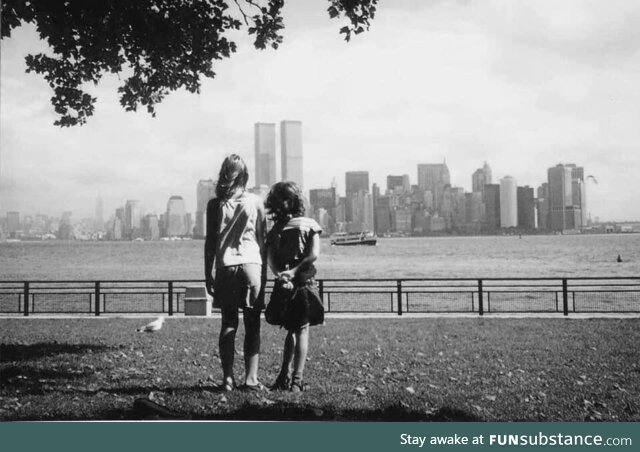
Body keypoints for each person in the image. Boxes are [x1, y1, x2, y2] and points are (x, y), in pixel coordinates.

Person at [204, 154, 267, 391]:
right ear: (245, 174)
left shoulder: (214, 205)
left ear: (224, 172)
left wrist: (207, 273)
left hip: (225, 267)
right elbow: (263, 240)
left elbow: (210, 243)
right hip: (252, 265)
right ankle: (251, 380)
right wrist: (263, 274)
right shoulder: (256, 202)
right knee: (253, 325)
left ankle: (227, 379)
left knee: (228, 323)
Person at [264, 181, 324, 392]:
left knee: (290, 330)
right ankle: (296, 380)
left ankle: (283, 376)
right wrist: (295, 271)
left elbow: (270, 261)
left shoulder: (274, 231)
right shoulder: (310, 224)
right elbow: (313, 255)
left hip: (284, 286)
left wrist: (283, 275)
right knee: (302, 330)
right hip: (304, 283)